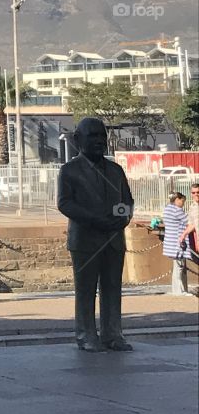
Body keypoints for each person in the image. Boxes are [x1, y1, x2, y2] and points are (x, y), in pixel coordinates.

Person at [57, 117, 134, 352]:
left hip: (113, 239)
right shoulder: (69, 170)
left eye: (102, 136)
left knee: (112, 287)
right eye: (93, 136)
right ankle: (86, 334)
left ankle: (113, 334)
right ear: (78, 139)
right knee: (86, 290)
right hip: (85, 240)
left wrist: (122, 218)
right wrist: (94, 219)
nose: (100, 141)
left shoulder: (115, 170)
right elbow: (64, 203)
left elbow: (127, 200)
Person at [161, 192, 189, 295]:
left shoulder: (167, 209)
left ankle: (179, 289)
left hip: (170, 242)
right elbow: (189, 221)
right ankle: (179, 291)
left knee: (177, 266)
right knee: (179, 266)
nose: (183, 204)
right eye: (183, 201)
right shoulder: (177, 210)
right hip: (177, 242)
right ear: (177, 199)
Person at [182, 182, 199, 296]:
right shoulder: (193, 207)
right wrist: (183, 235)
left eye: (198, 192)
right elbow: (192, 224)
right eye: (193, 193)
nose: (196, 195)